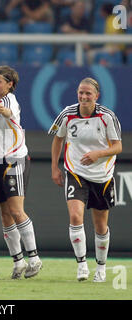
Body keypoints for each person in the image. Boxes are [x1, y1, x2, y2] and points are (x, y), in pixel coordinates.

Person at [49, 77, 122, 282]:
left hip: (103, 176)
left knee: (100, 225)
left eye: (88, 93)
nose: (83, 96)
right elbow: (57, 138)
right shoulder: (67, 113)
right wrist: (55, 167)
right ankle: (82, 265)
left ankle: (101, 267)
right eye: (81, 92)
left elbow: (118, 147)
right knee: (75, 216)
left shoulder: (107, 117)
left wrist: (98, 154)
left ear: (96, 96)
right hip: (76, 172)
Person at [0, 65, 43, 279]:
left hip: (13, 160)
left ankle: (34, 259)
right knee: (5, 214)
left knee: (17, 211)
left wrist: (2, 111)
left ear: (10, 84)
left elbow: (9, 112)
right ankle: (18, 262)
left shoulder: (9, 100)